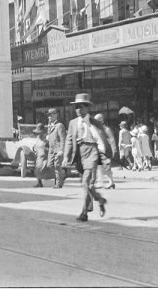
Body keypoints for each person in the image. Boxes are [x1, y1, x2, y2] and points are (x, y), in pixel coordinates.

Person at [63, 93, 108, 222]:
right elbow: (69, 140)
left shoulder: (94, 122)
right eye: (76, 107)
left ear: (87, 108)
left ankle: (84, 213)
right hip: (79, 154)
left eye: (81, 107)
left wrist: (106, 153)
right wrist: (66, 157)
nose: (78, 110)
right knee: (86, 185)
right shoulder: (72, 123)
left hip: (92, 151)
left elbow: (105, 136)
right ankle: (100, 199)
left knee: (86, 182)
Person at [46, 108, 69, 189]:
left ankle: (58, 183)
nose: (49, 117)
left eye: (51, 115)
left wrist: (61, 150)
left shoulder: (59, 125)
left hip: (57, 149)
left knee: (57, 166)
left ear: (56, 115)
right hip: (51, 150)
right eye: (48, 116)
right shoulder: (50, 126)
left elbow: (63, 139)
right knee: (49, 165)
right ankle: (64, 173)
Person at [94, 114, 116, 189]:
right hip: (98, 150)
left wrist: (113, 150)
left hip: (106, 150)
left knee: (107, 167)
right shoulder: (96, 129)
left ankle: (111, 182)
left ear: (101, 120)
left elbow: (112, 139)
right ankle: (100, 182)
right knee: (98, 166)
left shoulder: (106, 129)